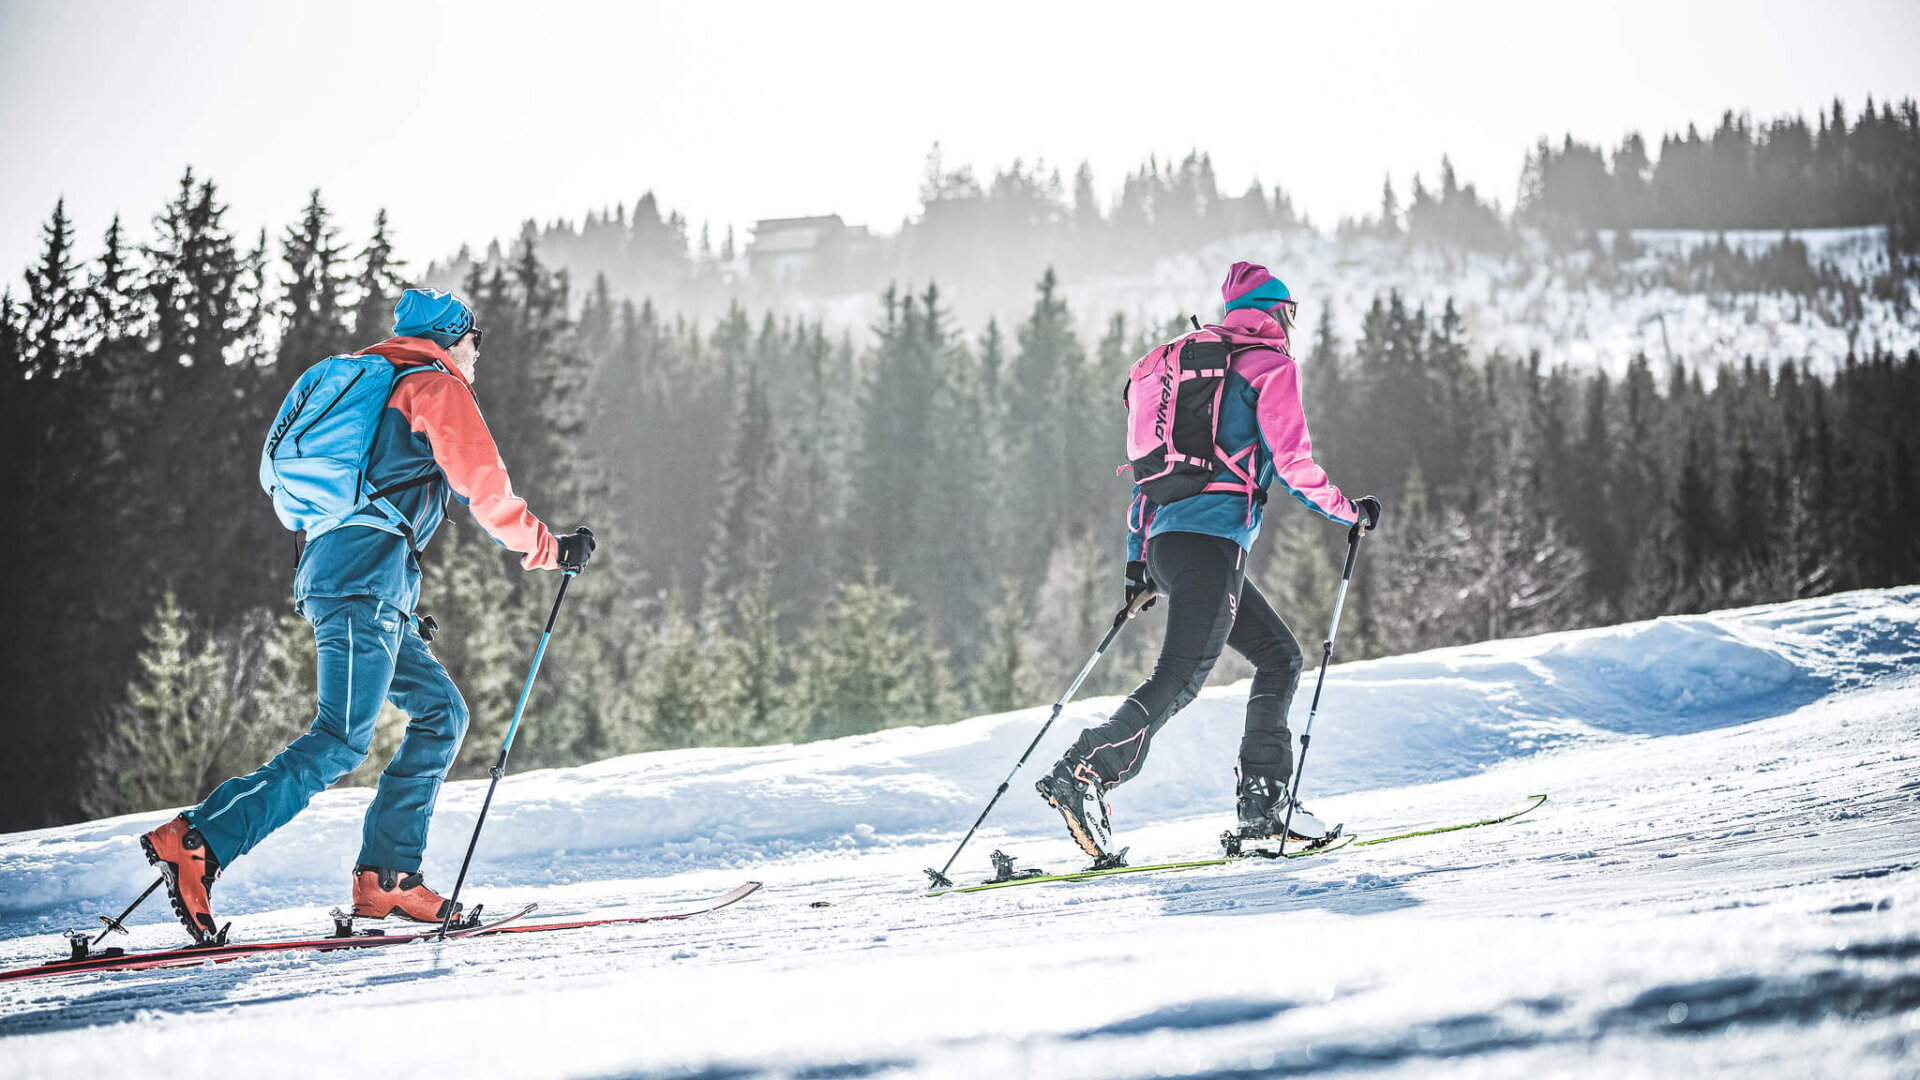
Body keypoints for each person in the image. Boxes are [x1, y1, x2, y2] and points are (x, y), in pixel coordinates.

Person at [141, 288, 596, 942]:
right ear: (453, 336)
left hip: (356, 576)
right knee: (341, 737)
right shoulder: (433, 386)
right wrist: (549, 549)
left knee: (442, 713)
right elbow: (487, 493)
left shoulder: (375, 380)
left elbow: (376, 498)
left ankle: (387, 879)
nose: (477, 354)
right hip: (362, 580)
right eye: (475, 340)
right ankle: (198, 840)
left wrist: (400, 605)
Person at [1036, 261, 1380, 861]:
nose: (1292, 325)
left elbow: (1149, 480)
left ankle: (1264, 806)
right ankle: (1085, 771)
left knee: (1278, 657)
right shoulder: (1267, 366)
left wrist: (1138, 567)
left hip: (1172, 548)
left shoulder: (1197, 372)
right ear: (1276, 312)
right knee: (1181, 675)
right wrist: (1348, 512)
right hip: (1210, 547)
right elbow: (1294, 463)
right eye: (1290, 313)